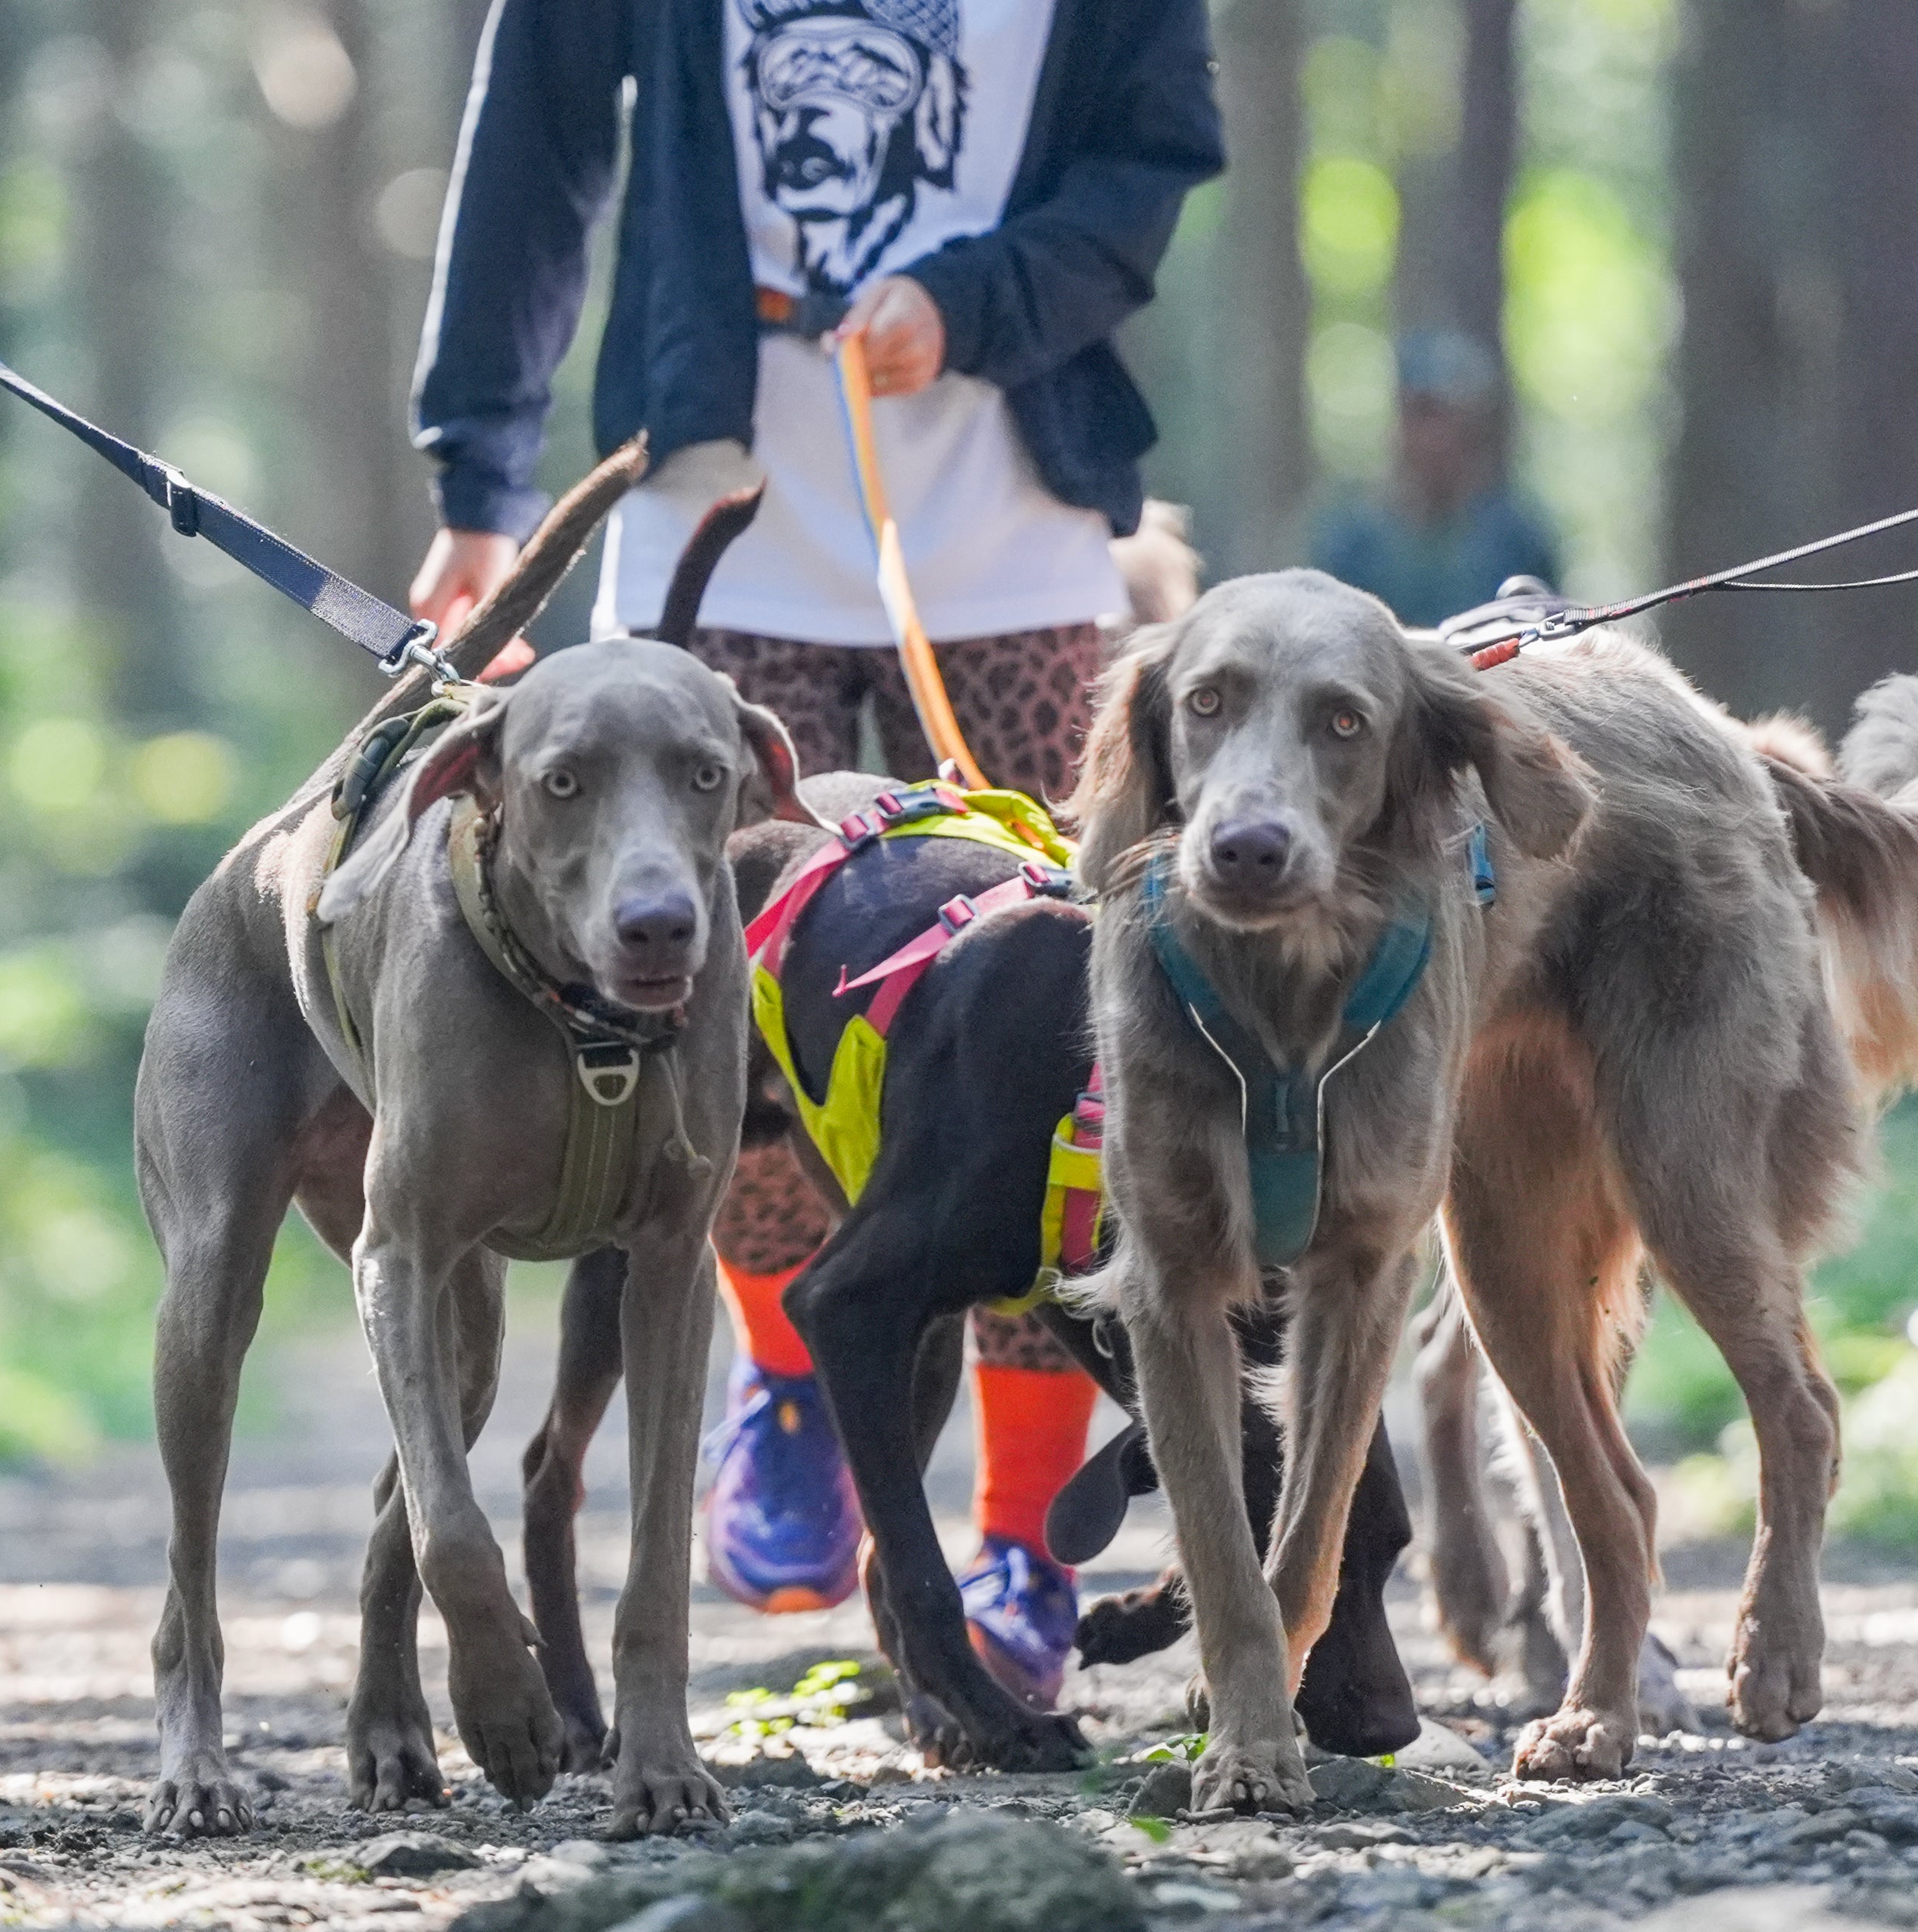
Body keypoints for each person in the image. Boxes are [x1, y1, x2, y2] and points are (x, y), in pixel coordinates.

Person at [408, 0, 1222, 1703]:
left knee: (1061, 1049)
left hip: (1018, 529)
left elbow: (1152, 157)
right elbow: (535, 147)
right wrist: (479, 478)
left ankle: (1018, 1530)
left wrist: (979, 299)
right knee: (706, 988)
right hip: (714, 507)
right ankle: (783, 1365)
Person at [1311, 328, 1561, 626]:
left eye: (1448, 418)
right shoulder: (1351, 540)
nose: (1434, 437)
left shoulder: (1516, 538)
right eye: (1421, 415)